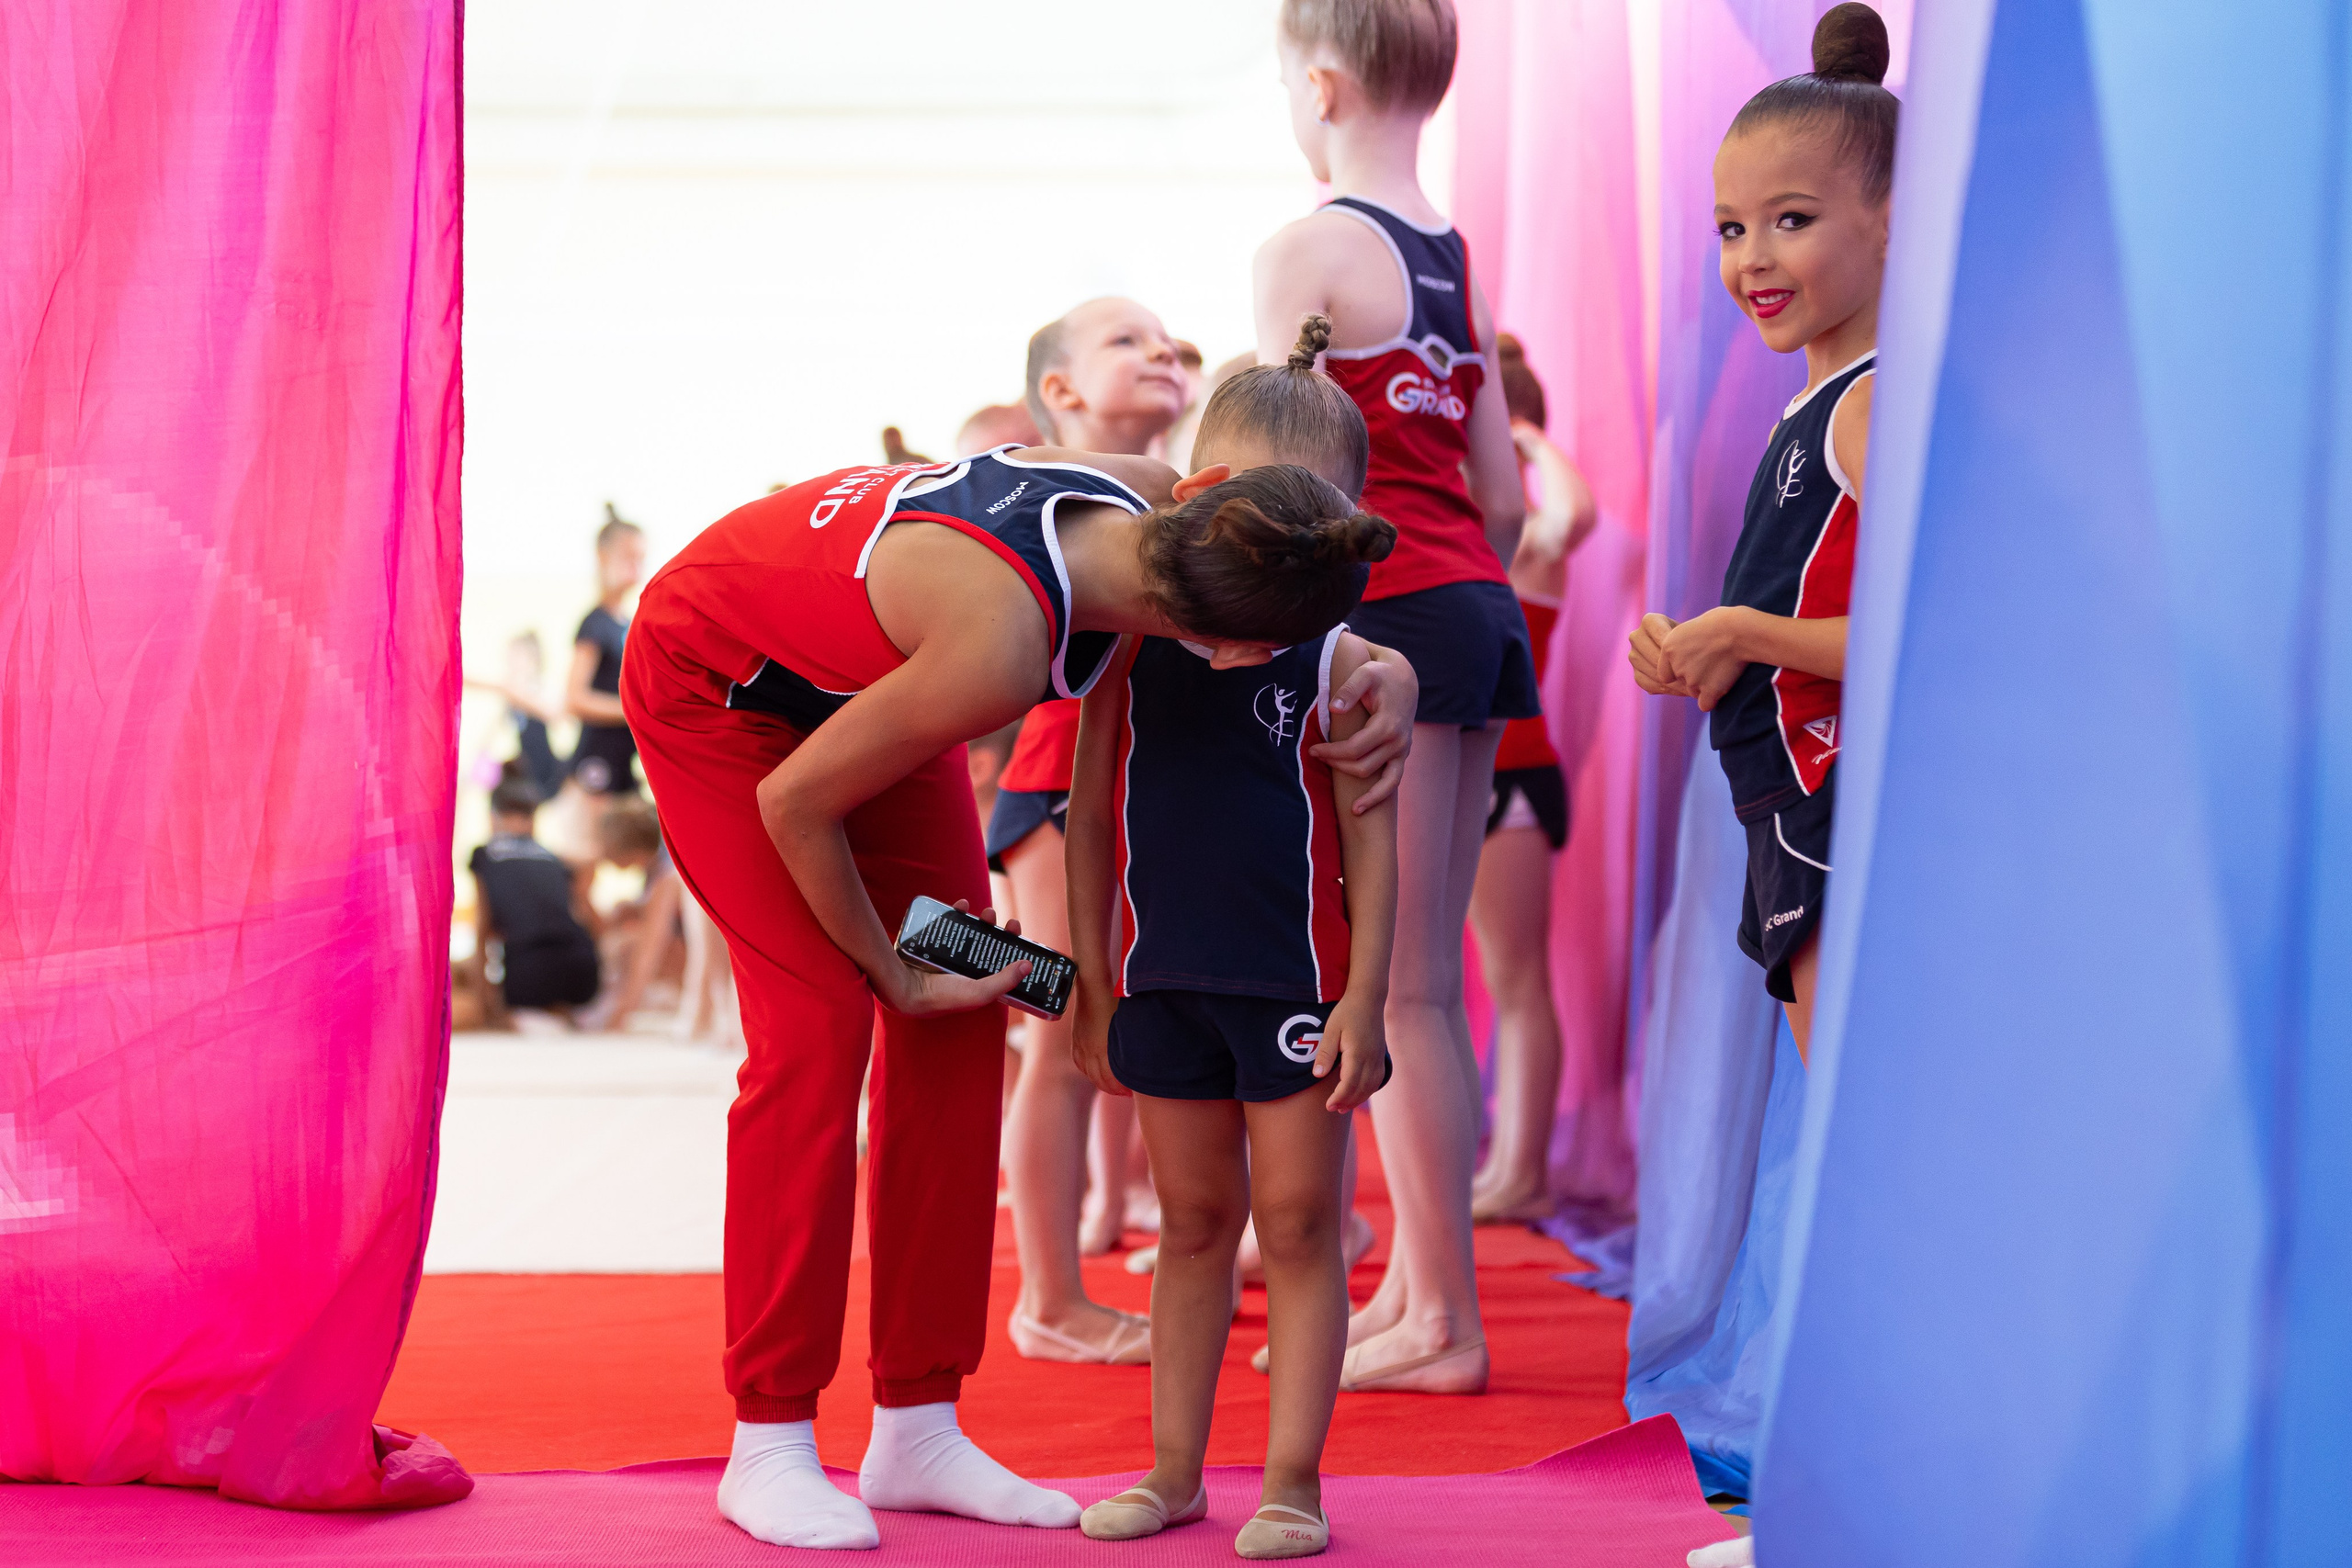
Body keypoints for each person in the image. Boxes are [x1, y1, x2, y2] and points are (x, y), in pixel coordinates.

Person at [619, 348, 1420, 1551]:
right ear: (1210, 635)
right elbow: (795, 804)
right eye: (1246, 650)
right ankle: (770, 1434)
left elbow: (1329, 644)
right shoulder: (1001, 649)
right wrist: (889, 966)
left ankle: (918, 1417)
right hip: (720, 694)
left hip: (877, 684)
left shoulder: (1163, 502)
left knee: (969, 1002)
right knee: (822, 1028)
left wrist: (1389, 672)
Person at [1254, 0, 1525, 1394]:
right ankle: (1420, 1286)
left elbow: (1275, 478)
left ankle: (1445, 1322)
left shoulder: (1305, 250)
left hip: (1393, 619)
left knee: (1402, 985)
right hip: (1474, 607)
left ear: (1320, 86)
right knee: (1425, 980)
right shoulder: (1448, 252)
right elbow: (1505, 495)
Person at [1631, 2, 1892, 1071]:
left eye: (1791, 219)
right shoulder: (1813, 405)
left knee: (1853, 1103)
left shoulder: (1870, 406)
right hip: (1781, 801)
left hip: (1834, 795)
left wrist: (1739, 630)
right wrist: (1701, 650)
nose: (1752, 259)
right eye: (1731, 229)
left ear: (1893, 220)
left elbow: (1902, 645)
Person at [991, 298, 1192, 1366]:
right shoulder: (1035, 487)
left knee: (1134, 1026)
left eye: (1166, 341)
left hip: (1145, 782)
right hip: (1058, 780)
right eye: (1126, 340)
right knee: (1061, 1034)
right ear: (1060, 390)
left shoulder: (1176, 489)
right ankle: (1048, 1299)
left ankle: (1129, 1232)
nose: (1160, 350)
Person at [1469, 335, 1599, 1223]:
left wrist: (1525, 436)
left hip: (1512, 779)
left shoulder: (1529, 546)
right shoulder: (1454, 540)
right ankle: (1502, 1164)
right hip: (1459, 773)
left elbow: (1575, 515)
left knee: (1517, 979)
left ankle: (1524, 1171)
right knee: (1447, 985)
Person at [469, 776, 601, 1026]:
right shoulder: (553, 857)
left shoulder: (485, 855)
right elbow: (585, 910)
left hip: (529, 976)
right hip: (583, 971)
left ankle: (537, 1018)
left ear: (493, 817)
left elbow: (482, 929)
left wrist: (485, 1005)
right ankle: (565, 1014)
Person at [567, 506, 646, 801]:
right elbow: (575, 697)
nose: (635, 567)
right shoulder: (595, 624)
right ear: (603, 557)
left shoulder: (628, 623)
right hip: (598, 764)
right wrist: (631, 711)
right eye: (628, 557)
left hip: (625, 764)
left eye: (640, 558)